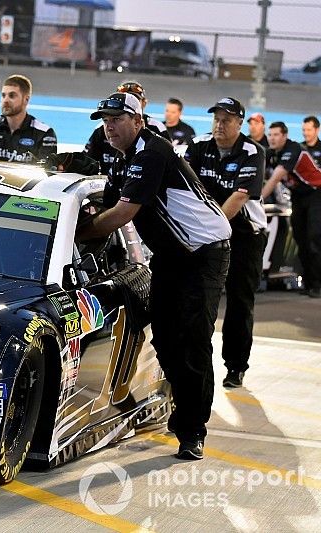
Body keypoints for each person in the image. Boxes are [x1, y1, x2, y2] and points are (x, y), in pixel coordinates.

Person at [77, 92, 231, 460]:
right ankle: (184, 407)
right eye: (104, 120)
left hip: (205, 253)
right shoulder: (120, 158)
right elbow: (105, 204)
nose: (108, 126)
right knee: (164, 337)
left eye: (116, 118)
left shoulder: (152, 152)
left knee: (193, 339)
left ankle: (193, 430)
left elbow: (121, 214)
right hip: (171, 255)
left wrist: (77, 232)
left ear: (138, 121)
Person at [185, 97, 267, 388]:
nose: (220, 124)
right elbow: (185, 188)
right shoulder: (197, 146)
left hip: (245, 235)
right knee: (199, 299)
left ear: (240, 123)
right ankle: (192, 363)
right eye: (217, 118)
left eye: (227, 120)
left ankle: (235, 366)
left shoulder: (252, 151)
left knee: (239, 301)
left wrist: (206, 229)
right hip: (204, 233)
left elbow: (239, 198)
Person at [262, 121, 321, 298]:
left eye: (276, 135)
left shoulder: (293, 149)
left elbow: (274, 179)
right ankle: (310, 283)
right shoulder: (271, 153)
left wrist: (256, 201)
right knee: (300, 239)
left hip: (316, 194)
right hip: (298, 197)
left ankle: (317, 284)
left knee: (314, 237)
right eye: (270, 135)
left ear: (285, 136)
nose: (272, 138)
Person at [84, 80, 171, 175]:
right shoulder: (101, 129)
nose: (109, 127)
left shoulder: (157, 130)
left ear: (144, 103)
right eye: (105, 120)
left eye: (134, 99)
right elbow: (87, 160)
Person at [0, 74, 57, 163]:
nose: (6, 100)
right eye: (3, 95)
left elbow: (46, 170)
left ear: (26, 99)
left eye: (12, 95)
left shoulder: (45, 133)